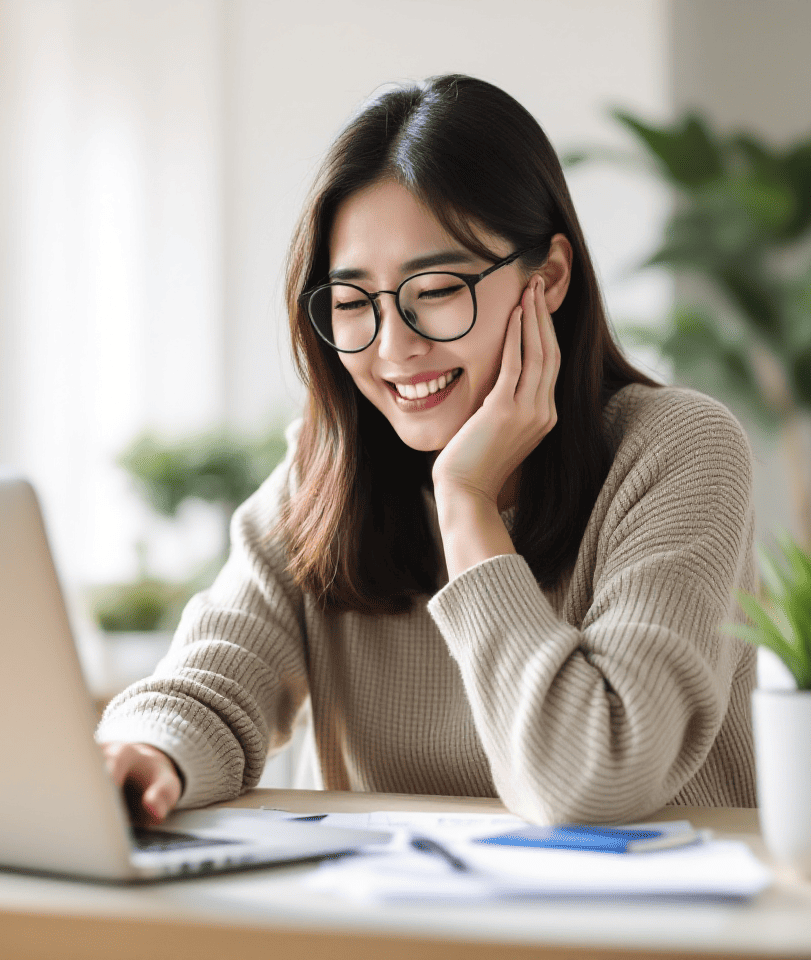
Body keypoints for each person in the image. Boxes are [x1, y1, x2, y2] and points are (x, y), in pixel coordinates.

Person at [97, 75, 757, 827]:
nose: (394, 347)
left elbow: (592, 777)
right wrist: (146, 754)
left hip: (638, 935)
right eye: (351, 303)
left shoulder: (677, 452)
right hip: (398, 932)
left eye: (436, 289)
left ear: (547, 280)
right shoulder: (327, 468)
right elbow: (210, 688)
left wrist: (467, 503)